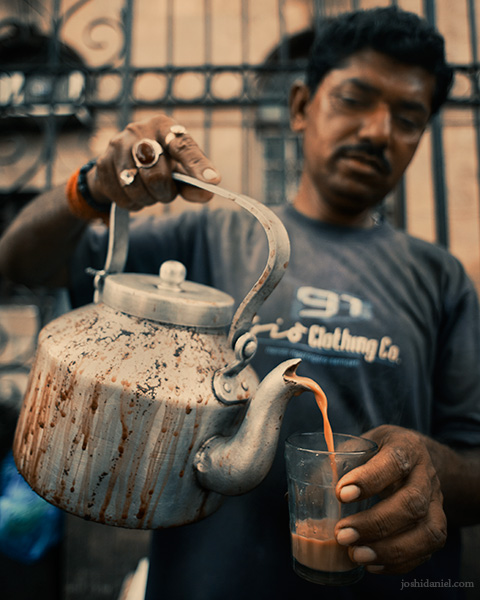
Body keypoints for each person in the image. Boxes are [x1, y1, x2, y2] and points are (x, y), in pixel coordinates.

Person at [1, 6, 480, 599]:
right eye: (355, 99)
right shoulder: (206, 238)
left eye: (408, 117)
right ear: (302, 106)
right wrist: (92, 188)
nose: (379, 131)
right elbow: (21, 262)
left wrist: (430, 470)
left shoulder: (440, 277)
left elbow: (476, 464)